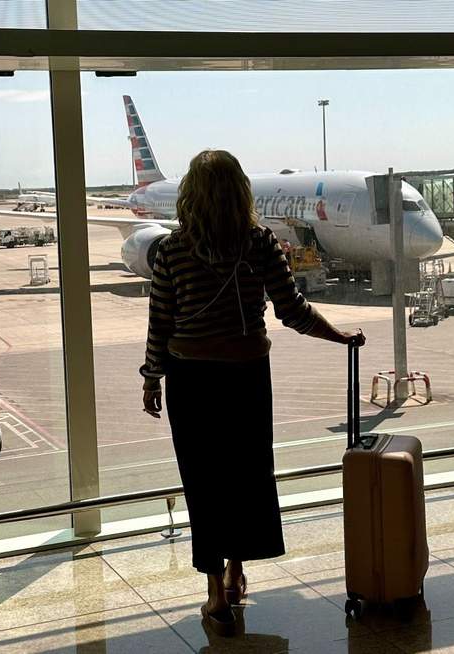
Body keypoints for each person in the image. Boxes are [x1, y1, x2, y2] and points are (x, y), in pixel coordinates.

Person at [140, 150, 366, 637]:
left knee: (203, 482)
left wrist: (152, 377)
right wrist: (340, 336)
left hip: (192, 380)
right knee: (246, 475)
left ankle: (215, 595)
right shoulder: (260, 243)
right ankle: (237, 569)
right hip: (246, 377)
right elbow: (292, 309)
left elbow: (160, 321)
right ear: (241, 192)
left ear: (190, 194)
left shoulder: (172, 250)